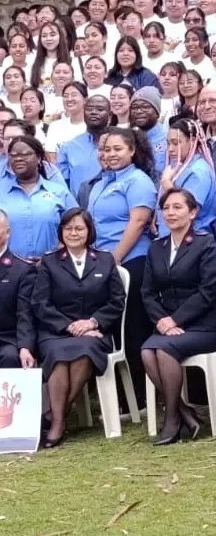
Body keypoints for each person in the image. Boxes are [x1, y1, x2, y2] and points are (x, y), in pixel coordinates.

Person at [31, 207, 125, 447]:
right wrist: (69, 326)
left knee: (84, 351)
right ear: (61, 232)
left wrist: (93, 322)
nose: (73, 233)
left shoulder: (104, 260)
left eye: (79, 228)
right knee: (59, 356)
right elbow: (40, 303)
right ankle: (59, 420)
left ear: (89, 231)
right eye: (68, 228)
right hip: (56, 333)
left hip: (95, 331)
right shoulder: (50, 263)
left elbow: (117, 301)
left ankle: (55, 418)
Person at [141, 188, 216, 445]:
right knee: (146, 351)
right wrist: (162, 321)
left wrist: (176, 320)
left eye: (178, 207)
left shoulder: (204, 243)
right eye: (166, 208)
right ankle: (184, 411)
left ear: (193, 212)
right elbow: (147, 292)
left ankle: (172, 420)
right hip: (168, 327)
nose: (171, 213)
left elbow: (209, 290)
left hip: (204, 325)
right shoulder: (157, 248)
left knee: (162, 351)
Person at [87, 127, 157, 401]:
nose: (110, 154)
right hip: (106, 265)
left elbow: (138, 222)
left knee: (133, 328)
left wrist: (115, 259)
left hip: (132, 261)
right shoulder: (102, 182)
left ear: (132, 151)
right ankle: (122, 395)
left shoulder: (137, 181)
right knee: (113, 327)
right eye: (105, 149)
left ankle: (141, 395)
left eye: (117, 149)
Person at [0, 136, 77, 260]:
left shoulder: (59, 192)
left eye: (25, 154)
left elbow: (78, 227)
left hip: (52, 268)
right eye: (13, 155)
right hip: (8, 271)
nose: (18, 158)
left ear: (39, 158)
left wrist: (54, 257)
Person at [158, 118, 216, 237]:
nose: (170, 149)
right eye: (168, 143)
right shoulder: (180, 166)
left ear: (193, 140)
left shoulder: (198, 171)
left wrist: (166, 183)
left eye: (176, 143)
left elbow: (188, 211)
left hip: (192, 239)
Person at [0, 210, 36, 368]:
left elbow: (25, 313)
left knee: (10, 357)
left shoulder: (22, 269)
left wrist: (25, 347)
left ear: (8, 232)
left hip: (7, 338)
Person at [57, 95, 112, 197]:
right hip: (79, 209)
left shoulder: (120, 146)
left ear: (110, 115)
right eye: (89, 109)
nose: (94, 112)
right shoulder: (69, 147)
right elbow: (62, 185)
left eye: (100, 109)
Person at [129, 87, 167, 176]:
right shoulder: (128, 138)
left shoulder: (168, 137)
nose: (139, 111)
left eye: (145, 107)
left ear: (157, 112)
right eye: (134, 107)